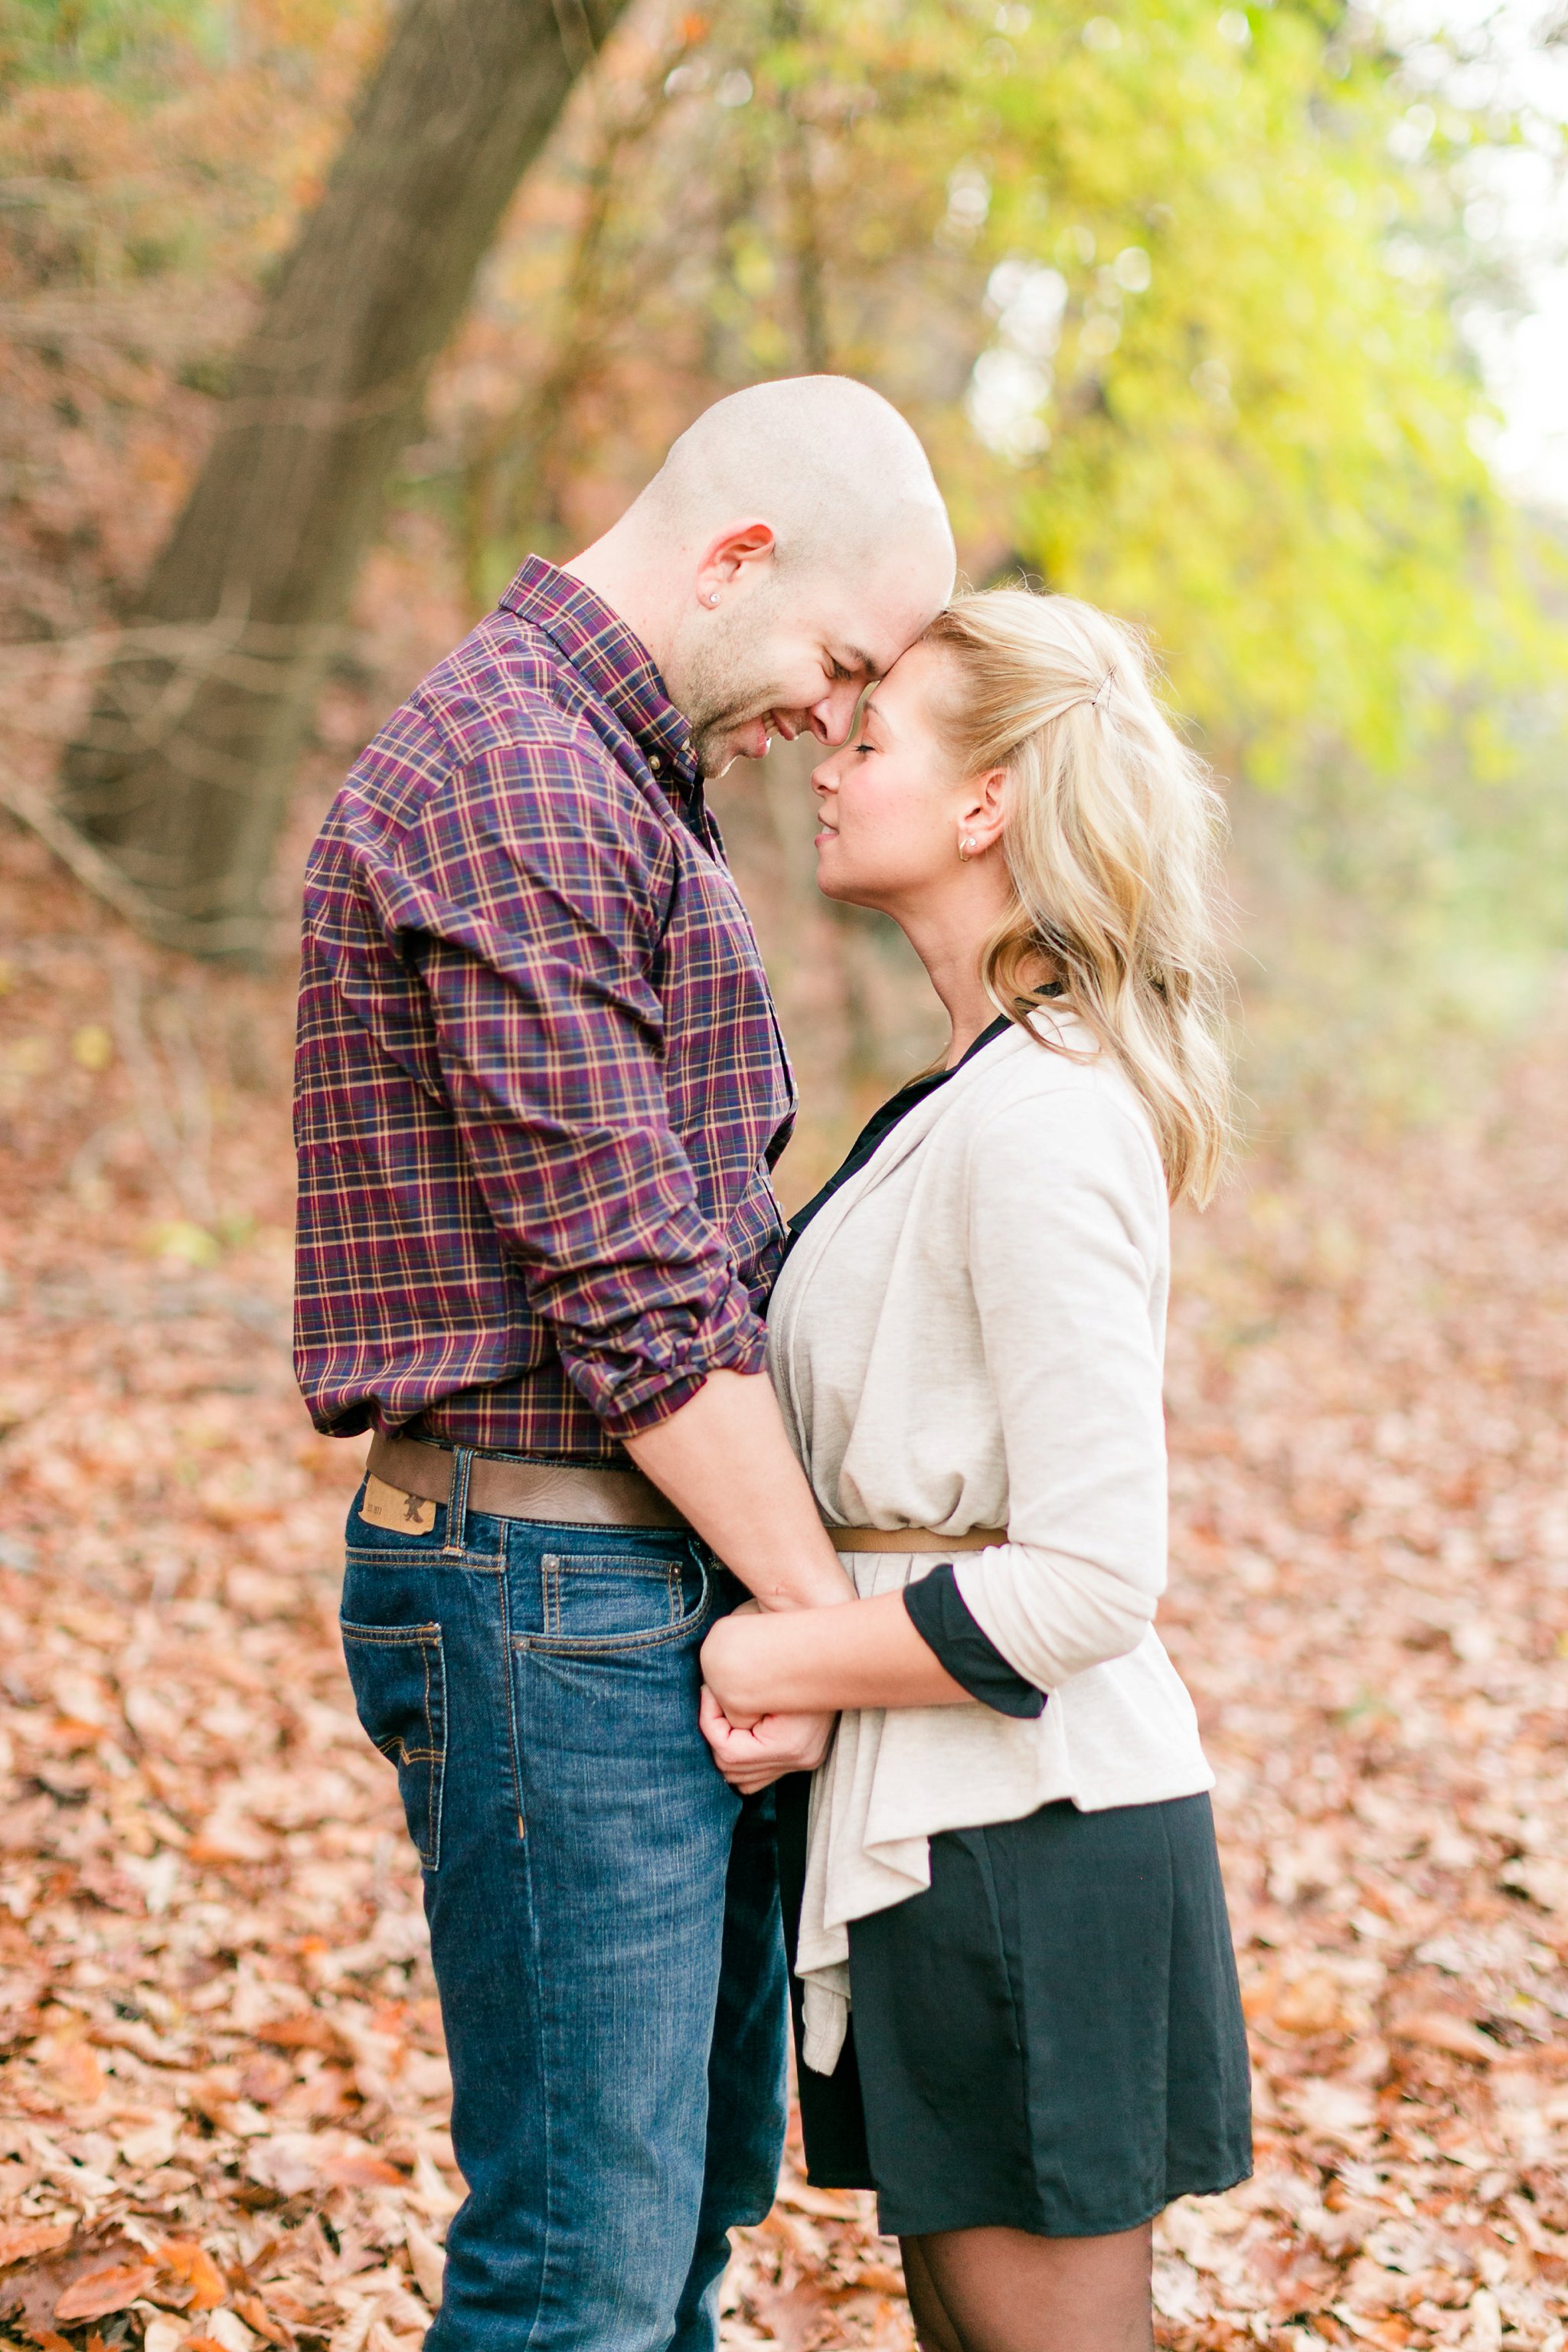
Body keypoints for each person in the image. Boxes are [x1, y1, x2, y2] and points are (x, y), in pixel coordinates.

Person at [292, 377, 956, 2352]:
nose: (837, 725)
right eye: (840, 667)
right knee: (578, 2271)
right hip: (548, 1591)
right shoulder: (520, 783)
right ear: (735, 558)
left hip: (619, 1584)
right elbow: (637, 1296)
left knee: (666, 2243)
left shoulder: (608, 769)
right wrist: (821, 1629)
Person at [699, 589, 1254, 2352]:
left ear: (985, 803)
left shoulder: (1045, 1115)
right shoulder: (972, 1091)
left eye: (871, 744)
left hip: (1035, 1831)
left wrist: (779, 1654)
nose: (826, 771)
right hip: (946, 1811)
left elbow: (1095, 1574)